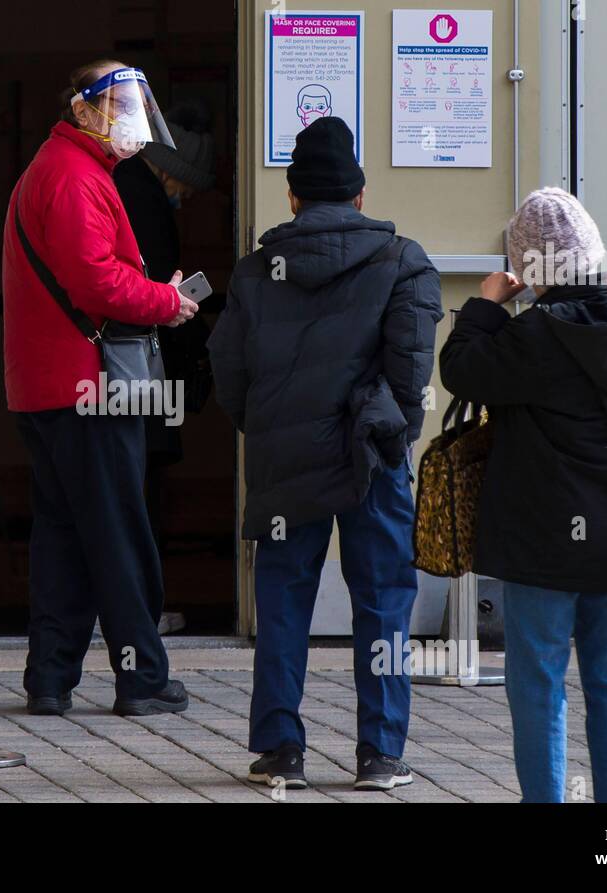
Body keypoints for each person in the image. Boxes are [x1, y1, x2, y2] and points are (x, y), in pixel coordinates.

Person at [207, 117, 442, 790]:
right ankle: (380, 753)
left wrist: (265, 422)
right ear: (360, 194)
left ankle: (281, 747)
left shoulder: (257, 272)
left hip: (285, 456)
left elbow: (227, 367)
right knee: (383, 601)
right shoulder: (403, 262)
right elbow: (410, 372)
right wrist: (390, 434)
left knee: (283, 598)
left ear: (292, 198)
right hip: (370, 456)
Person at [440, 187, 607, 803]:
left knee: (538, 682)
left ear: (531, 267)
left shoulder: (537, 335)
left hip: (544, 544)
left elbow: (460, 371)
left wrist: (485, 306)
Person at [1, 60, 199, 717]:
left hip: (48, 386)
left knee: (64, 533)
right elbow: (98, 284)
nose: (134, 124)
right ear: (83, 110)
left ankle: (50, 678)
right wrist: (164, 301)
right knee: (118, 533)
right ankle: (142, 679)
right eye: (120, 107)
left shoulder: (59, 170)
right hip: (88, 386)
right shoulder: (78, 177)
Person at [113, 101, 217, 633]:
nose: (188, 199)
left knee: (127, 485)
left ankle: (128, 611)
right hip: (138, 369)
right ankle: (137, 615)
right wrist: (195, 324)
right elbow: (152, 288)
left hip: (123, 367)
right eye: (187, 188)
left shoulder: (123, 183)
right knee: (139, 488)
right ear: (170, 173)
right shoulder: (142, 196)